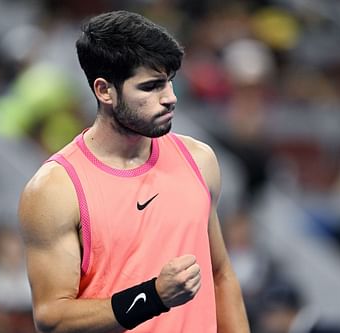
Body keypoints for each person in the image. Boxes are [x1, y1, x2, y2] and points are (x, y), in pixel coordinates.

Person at [18, 10, 250, 333]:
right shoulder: (55, 189)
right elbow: (51, 318)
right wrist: (152, 296)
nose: (170, 98)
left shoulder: (199, 160)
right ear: (105, 91)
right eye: (151, 87)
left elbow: (220, 274)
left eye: (169, 82)